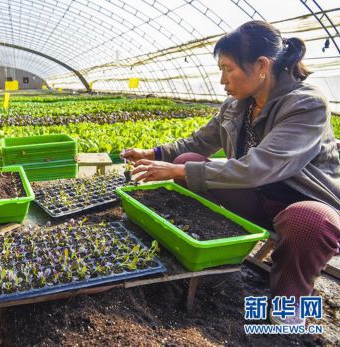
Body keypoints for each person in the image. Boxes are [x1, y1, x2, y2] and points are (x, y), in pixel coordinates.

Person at [122, 21, 339, 325]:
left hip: (298, 203)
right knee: (188, 159)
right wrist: (155, 154)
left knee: (307, 219)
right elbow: (199, 142)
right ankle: (210, 250)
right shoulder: (237, 105)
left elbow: (260, 167)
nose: (222, 80)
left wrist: (176, 169)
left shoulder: (306, 103)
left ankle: (288, 304)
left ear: (262, 66)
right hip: (256, 197)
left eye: (228, 68)